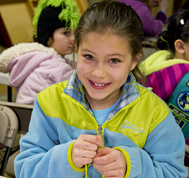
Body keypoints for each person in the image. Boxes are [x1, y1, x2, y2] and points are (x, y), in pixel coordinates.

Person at [14, 1, 187, 178]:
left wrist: (132, 166)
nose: (98, 73)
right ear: (76, 50)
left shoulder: (156, 113)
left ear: (134, 61)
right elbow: (26, 170)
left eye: (114, 61)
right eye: (89, 57)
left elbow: (174, 174)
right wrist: (66, 159)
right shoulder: (48, 102)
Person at [0, 0, 80, 105]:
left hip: (29, 116)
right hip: (41, 118)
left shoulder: (40, 59)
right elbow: (78, 95)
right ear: (48, 38)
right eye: (66, 33)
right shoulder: (54, 66)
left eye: (76, 33)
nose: (73, 39)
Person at [142, 9, 189, 144]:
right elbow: (183, 131)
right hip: (167, 147)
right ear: (180, 46)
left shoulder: (159, 62)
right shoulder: (185, 76)